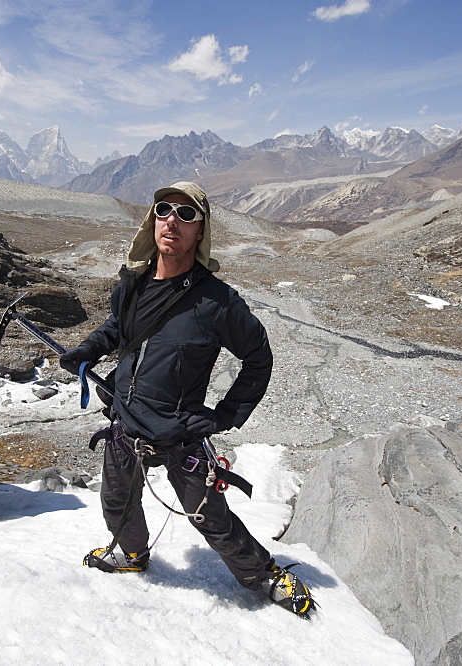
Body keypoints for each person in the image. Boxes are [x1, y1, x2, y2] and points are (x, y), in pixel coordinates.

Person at [59, 182, 314, 616]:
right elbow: (118, 329)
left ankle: (265, 575)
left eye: (187, 214)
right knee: (117, 501)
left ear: (201, 232)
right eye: (164, 210)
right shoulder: (132, 285)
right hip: (126, 422)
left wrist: (225, 416)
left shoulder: (217, 302)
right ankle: (132, 554)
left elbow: (258, 356)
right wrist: (88, 349)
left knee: (210, 518)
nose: (172, 220)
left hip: (180, 433)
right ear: (152, 221)